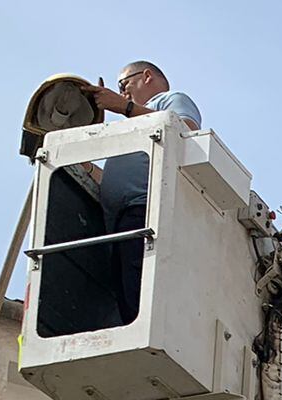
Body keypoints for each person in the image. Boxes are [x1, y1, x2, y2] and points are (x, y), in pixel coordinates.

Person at [84, 62, 202, 325]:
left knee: (138, 298)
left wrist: (123, 107)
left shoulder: (170, 101)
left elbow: (183, 131)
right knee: (126, 297)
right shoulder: (136, 125)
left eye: (123, 85)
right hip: (120, 223)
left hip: (144, 211)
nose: (122, 93)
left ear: (146, 76)